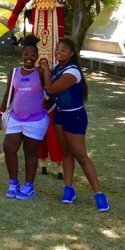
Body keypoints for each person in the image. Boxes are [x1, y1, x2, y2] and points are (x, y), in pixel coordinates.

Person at [7, 0, 106, 176]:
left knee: (55, 86)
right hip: (38, 22)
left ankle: (59, 155)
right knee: (39, 84)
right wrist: (15, 14)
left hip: (56, 21)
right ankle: (39, 155)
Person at [40, 38, 110, 212]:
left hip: (75, 117)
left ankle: (99, 194)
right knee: (66, 152)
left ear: (71, 54)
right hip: (60, 115)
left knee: (81, 156)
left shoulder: (72, 72)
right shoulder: (59, 67)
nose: (58, 52)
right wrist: (49, 103)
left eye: (63, 50)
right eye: (57, 49)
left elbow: (53, 89)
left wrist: (47, 71)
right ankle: (68, 189)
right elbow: (55, 96)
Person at [0, 34, 50, 200]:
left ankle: (29, 186)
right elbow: (9, 94)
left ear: (37, 57)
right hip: (16, 118)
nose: (29, 58)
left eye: (33, 55)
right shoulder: (13, 73)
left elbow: (52, 89)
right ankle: (13, 183)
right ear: (22, 54)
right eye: (27, 54)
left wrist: (50, 102)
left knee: (30, 152)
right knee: (8, 148)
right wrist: (0, 114)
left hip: (36, 119)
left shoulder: (40, 73)